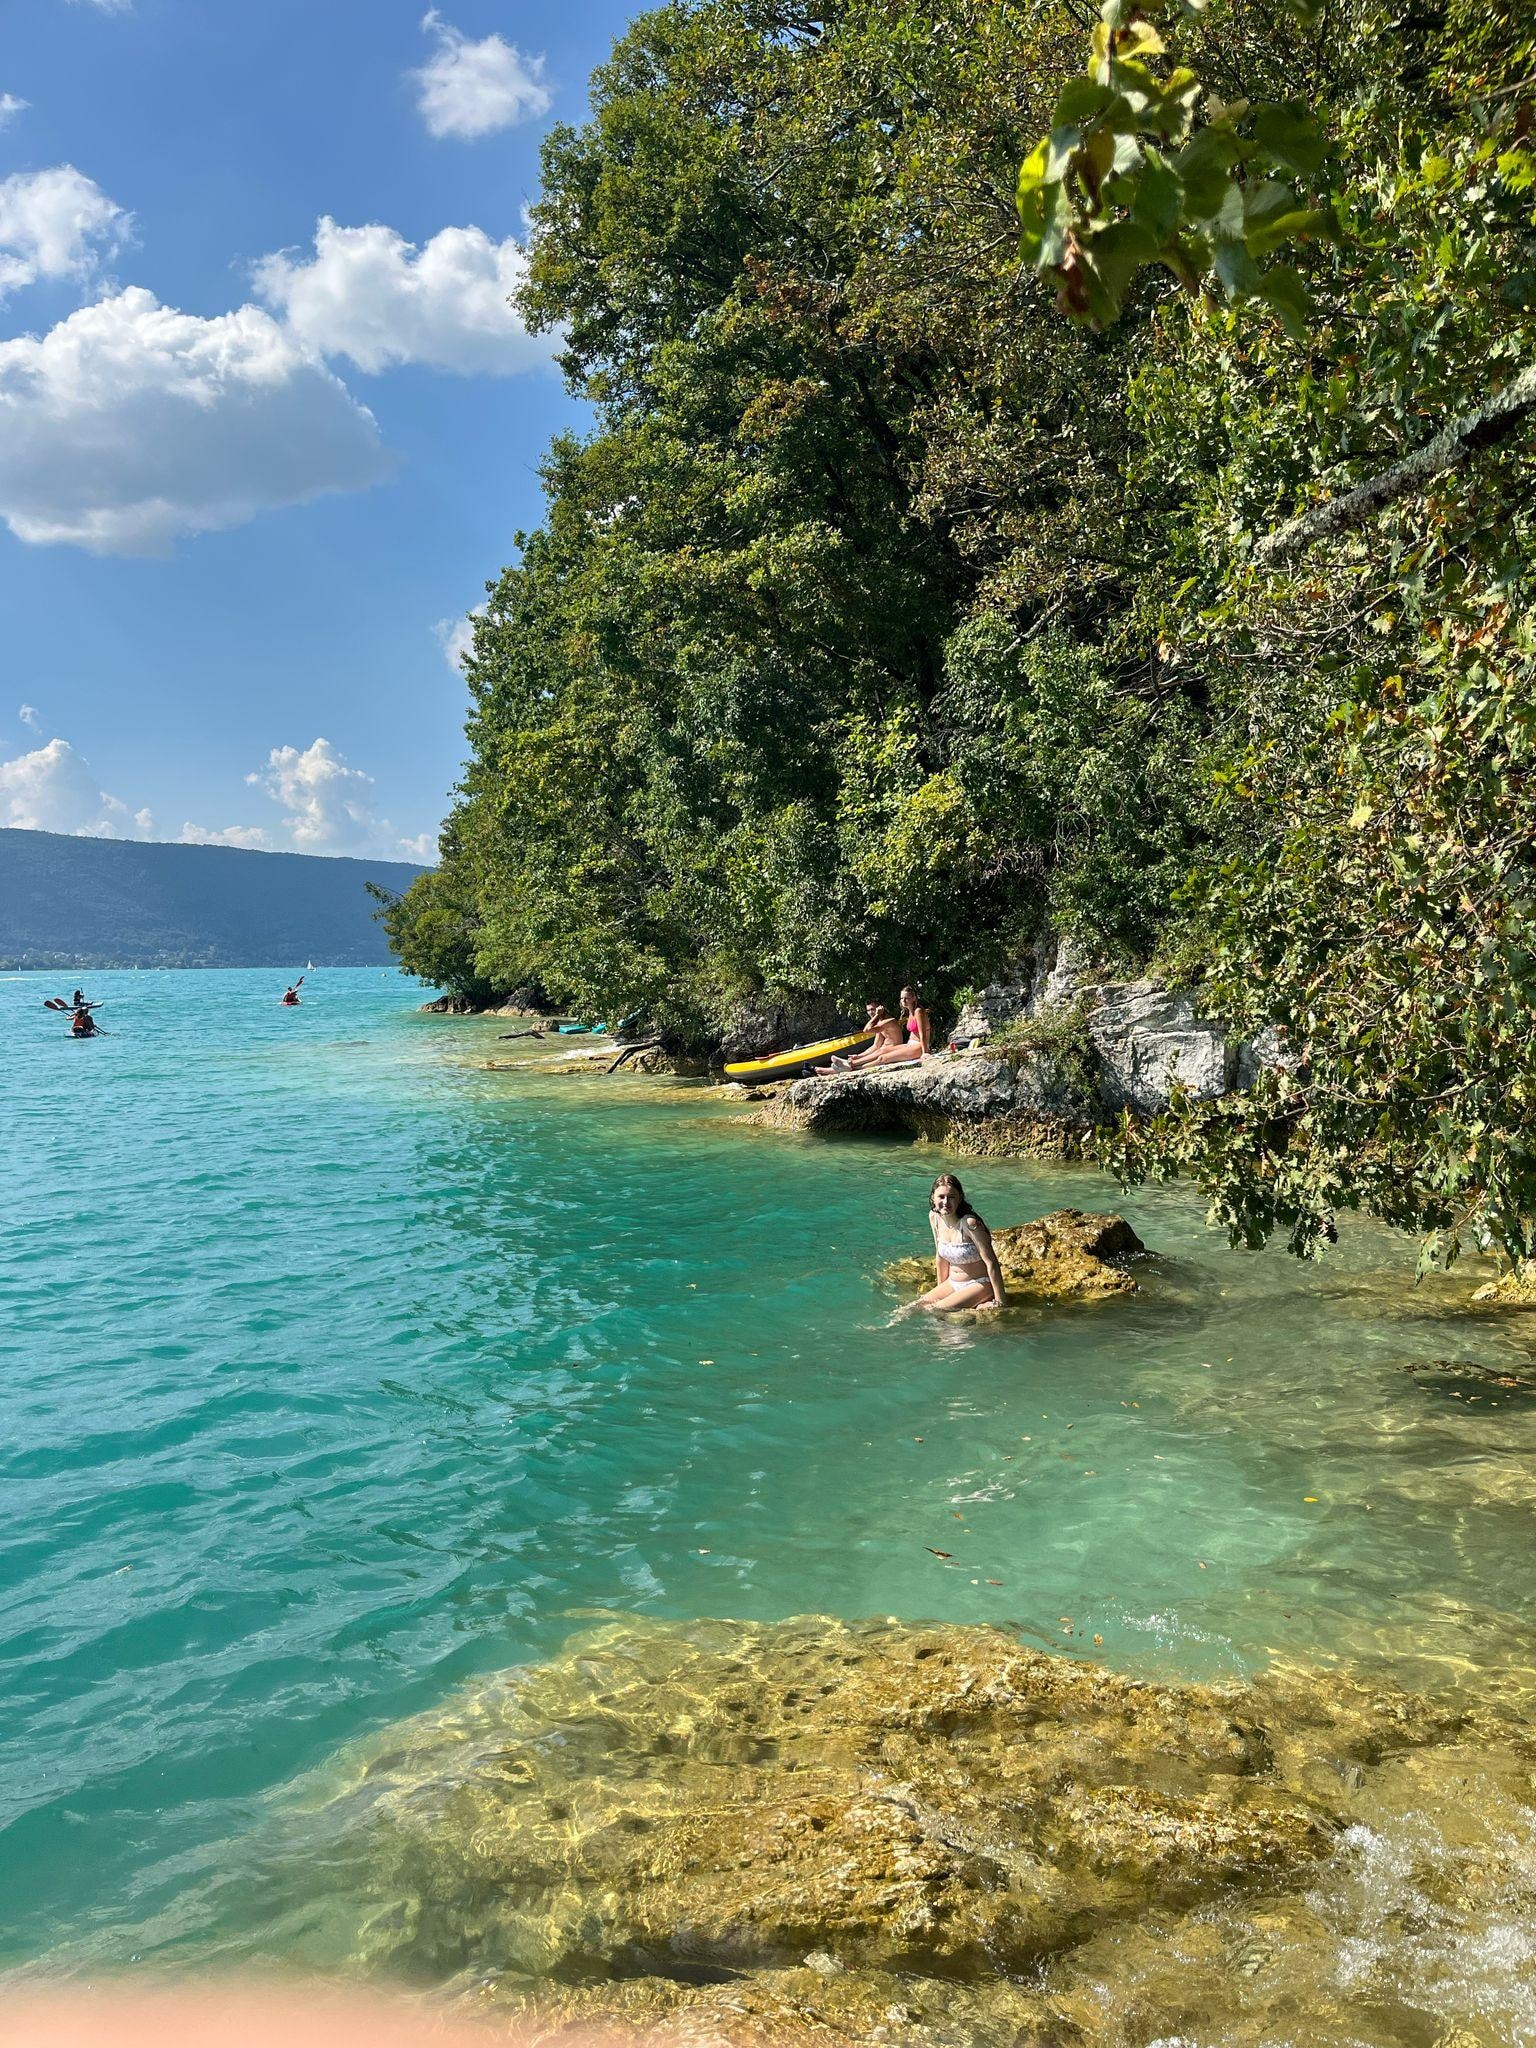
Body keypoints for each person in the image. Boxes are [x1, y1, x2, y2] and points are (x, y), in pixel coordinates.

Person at [915, 1173, 1006, 1313]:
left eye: (951, 1197)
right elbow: (940, 1258)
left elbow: (991, 1262)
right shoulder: (934, 1217)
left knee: (935, 1310)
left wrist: (1000, 1302)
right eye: (941, 1197)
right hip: (952, 1283)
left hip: (979, 1284)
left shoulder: (970, 1224)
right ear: (933, 1197)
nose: (946, 1202)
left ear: (960, 1198)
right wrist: (941, 1290)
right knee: (914, 1307)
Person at [854, 984, 932, 1068]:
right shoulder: (910, 1012)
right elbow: (875, 1045)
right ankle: (853, 1063)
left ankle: (856, 1068)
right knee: (883, 1051)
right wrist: (858, 1056)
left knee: (882, 1058)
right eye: (902, 998)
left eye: (906, 998)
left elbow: (922, 1034)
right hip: (910, 1045)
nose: (903, 1001)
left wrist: (925, 1053)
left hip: (919, 1046)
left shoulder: (918, 1011)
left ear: (914, 998)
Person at [815, 1002, 904, 1074]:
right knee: (874, 1053)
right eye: (868, 1010)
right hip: (881, 1051)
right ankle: (824, 1070)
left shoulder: (889, 1021)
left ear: (880, 1008)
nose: (870, 1013)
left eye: (873, 1009)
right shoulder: (879, 1024)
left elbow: (866, 1030)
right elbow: (876, 1046)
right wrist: (859, 1056)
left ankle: (830, 1069)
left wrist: (877, 1015)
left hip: (891, 1051)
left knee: (877, 1054)